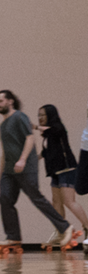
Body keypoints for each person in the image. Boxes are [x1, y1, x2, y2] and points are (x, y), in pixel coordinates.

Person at [0, 90, 72, 250]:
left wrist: (23, 159)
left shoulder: (20, 117)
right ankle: (13, 237)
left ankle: (65, 227)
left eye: (0, 101)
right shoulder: (2, 125)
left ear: (10, 101)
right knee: (5, 199)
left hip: (25, 167)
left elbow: (30, 138)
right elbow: (5, 151)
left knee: (36, 198)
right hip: (9, 171)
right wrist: (0, 174)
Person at [35, 104, 86, 248]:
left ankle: (87, 227)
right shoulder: (47, 136)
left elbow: (54, 130)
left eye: (43, 115)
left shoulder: (58, 128)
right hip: (55, 172)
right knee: (56, 202)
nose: (40, 118)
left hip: (67, 169)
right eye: (38, 115)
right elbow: (45, 153)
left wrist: (34, 127)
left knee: (69, 201)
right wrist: (30, 159)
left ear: (50, 115)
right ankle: (61, 231)